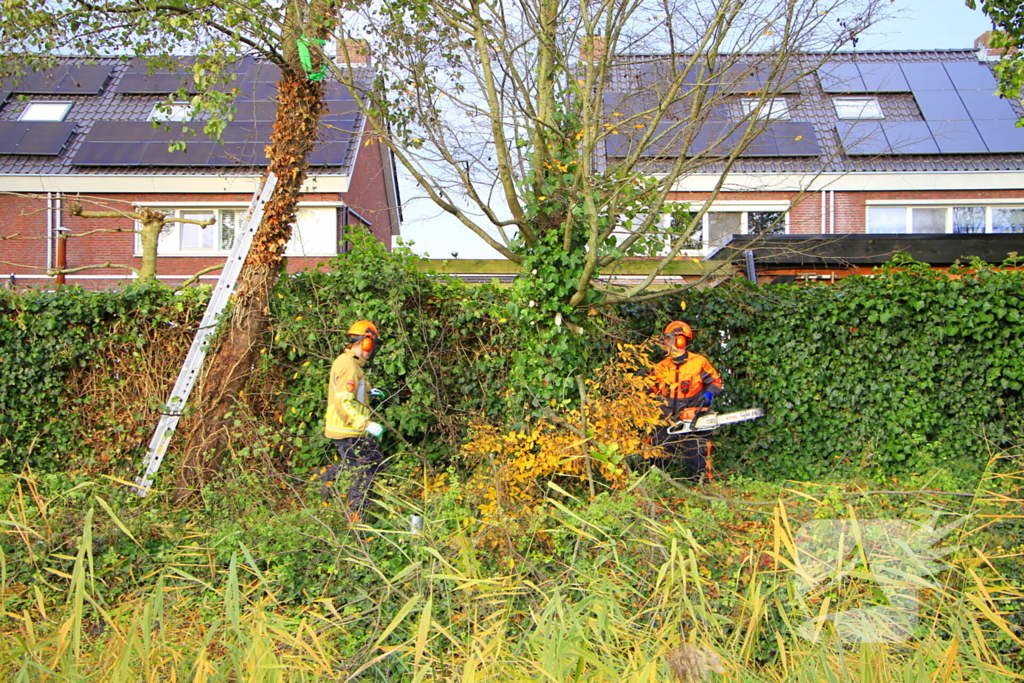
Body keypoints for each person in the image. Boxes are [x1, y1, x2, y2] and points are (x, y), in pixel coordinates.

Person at [316, 319, 386, 521]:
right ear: (365, 343)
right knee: (363, 472)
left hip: (352, 430)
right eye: (373, 344)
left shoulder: (351, 362)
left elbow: (353, 391)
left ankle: (329, 473)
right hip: (347, 430)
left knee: (375, 463)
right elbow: (343, 403)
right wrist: (366, 424)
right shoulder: (349, 366)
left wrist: (369, 392)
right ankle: (356, 518)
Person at [646, 320, 723, 482]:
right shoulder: (661, 367)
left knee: (697, 454)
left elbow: (716, 382)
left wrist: (708, 396)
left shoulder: (699, 362)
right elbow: (651, 390)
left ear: (680, 340)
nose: (665, 342)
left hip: (693, 414)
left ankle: (702, 484)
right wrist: (642, 383)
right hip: (667, 416)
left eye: (668, 338)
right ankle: (653, 484)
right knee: (658, 453)